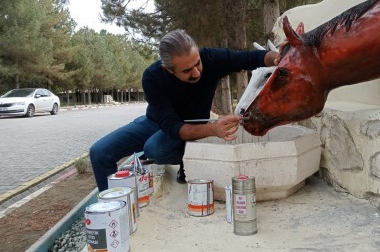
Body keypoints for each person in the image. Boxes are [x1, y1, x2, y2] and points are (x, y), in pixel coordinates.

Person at [90, 29, 278, 192]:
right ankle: (112, 207)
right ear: (168, 69)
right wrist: (214, 129)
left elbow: (252, 58)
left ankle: (187, 163)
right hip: (158, 123)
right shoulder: (152, 77)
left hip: (194, 124)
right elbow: (172, 126)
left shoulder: (211, 58)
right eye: (187, 70)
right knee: (99, 152)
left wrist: (276, 56)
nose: (196, 72)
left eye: (197, 63)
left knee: (154, 149)